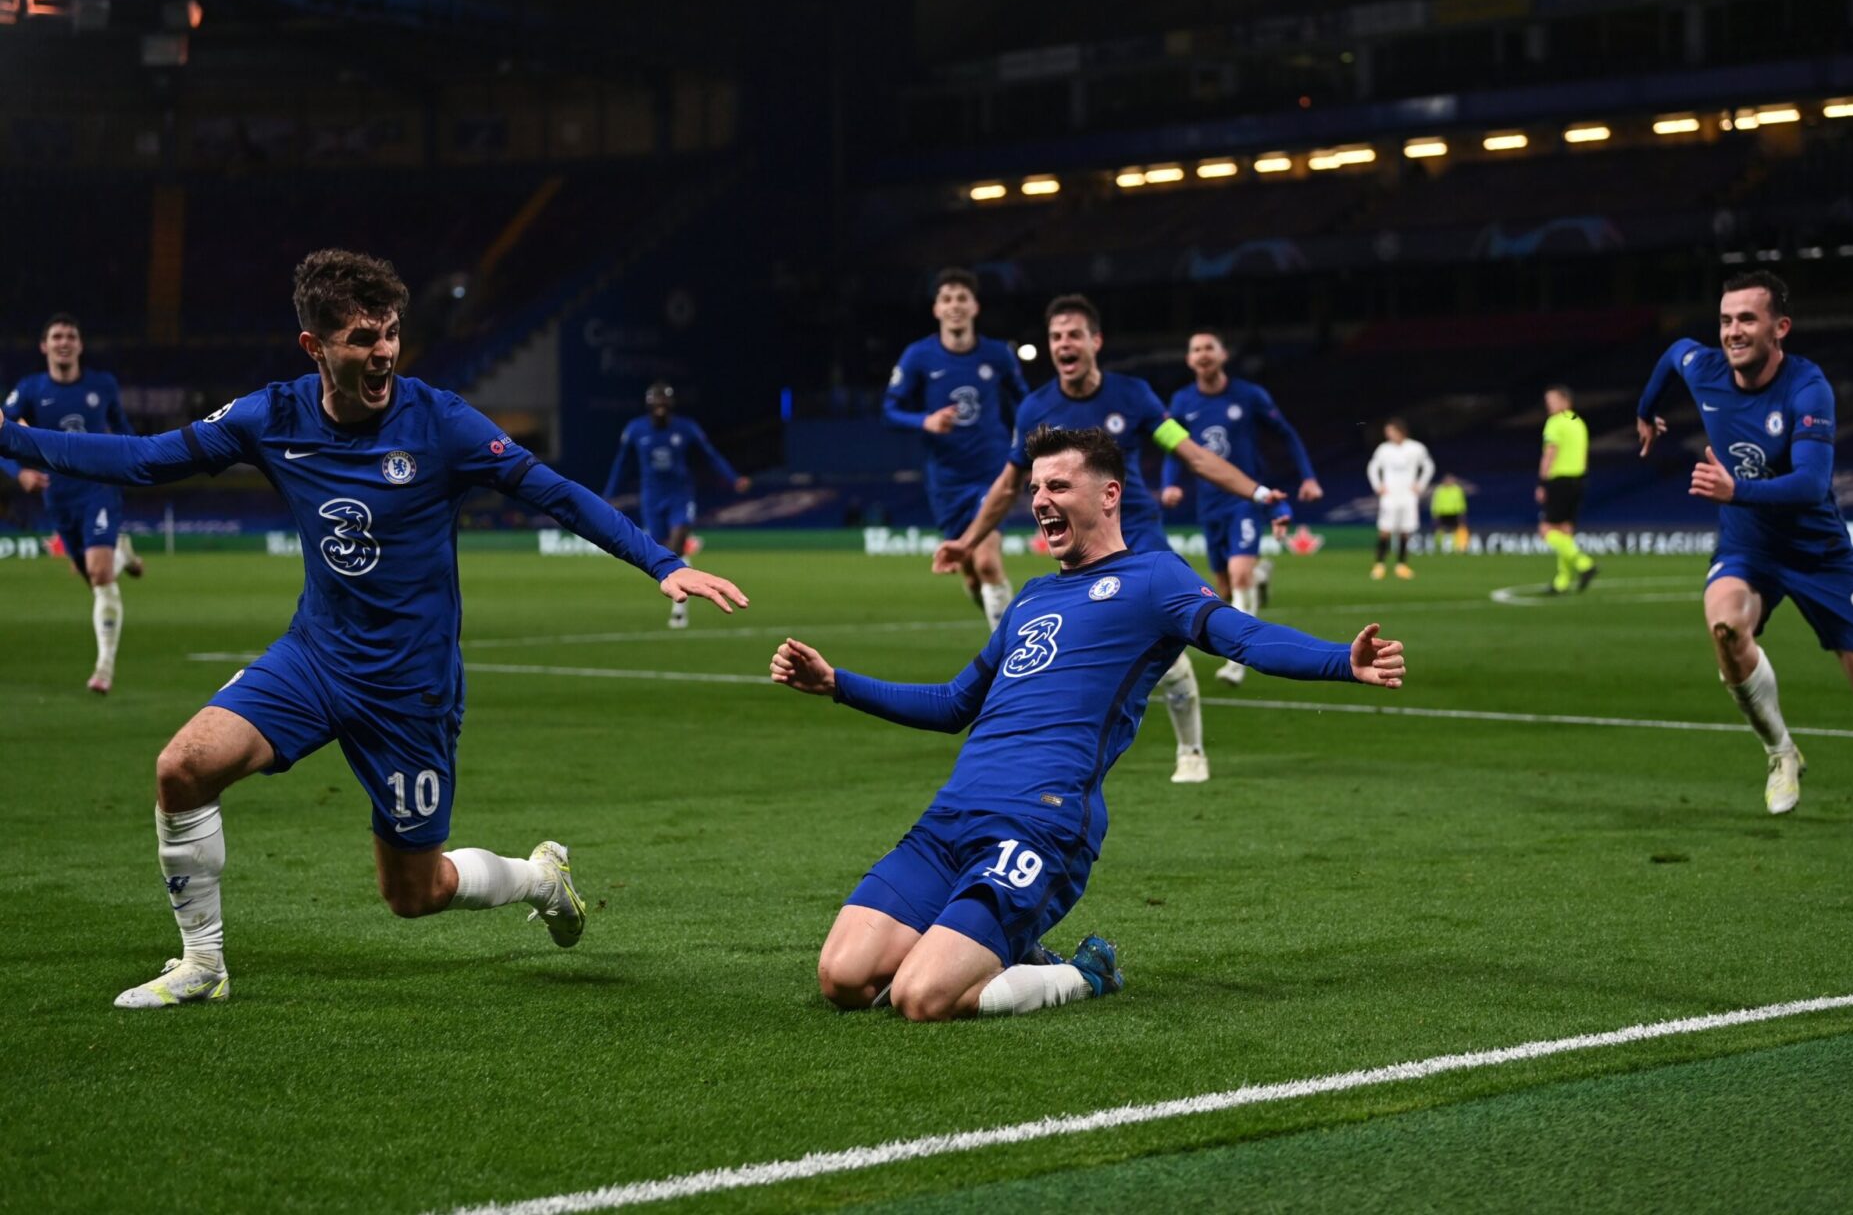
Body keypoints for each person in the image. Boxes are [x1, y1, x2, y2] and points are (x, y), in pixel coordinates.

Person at [0, 249, 750, 1009]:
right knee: (182, 769)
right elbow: (141, 460)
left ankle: (537, 878)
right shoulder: (272, 416)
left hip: (409, 689)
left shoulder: (442, 422)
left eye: (390, 332)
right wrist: (11, 439)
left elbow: (553, 492)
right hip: (315, 658)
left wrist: (659, 563)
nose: (384, 350)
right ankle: (204, 964)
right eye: (361, 337)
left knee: (413, 894)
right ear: (314, 347)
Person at [773, 425, 1405, 1022]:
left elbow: (1244, 637)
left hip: (1041, 824)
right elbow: (952, 705)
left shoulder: (1154, 577)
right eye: (1036, 490)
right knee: (844, 979)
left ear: (1108, 495)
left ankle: (1083, 973)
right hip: (951, 819)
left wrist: (1340, 662)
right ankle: (997, 946)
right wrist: (836, 683)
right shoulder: (1032, 598)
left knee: (921, 998)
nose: (1041, 501)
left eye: (1058, 487)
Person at [1636, 270, 1853, 827]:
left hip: (1818, 552)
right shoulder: (1702, 367)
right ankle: (1781, 751)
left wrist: (1736, 490)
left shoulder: (1808, 388)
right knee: (1726, 630)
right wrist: (1645, 409)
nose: (1732, 331)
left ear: (1779, 328)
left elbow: (1809, 483)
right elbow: (1671, 355)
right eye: (1726, 319)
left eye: (1747, 319)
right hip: (1748, 547)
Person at [933, 295, 1287, 785]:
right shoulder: (1036, 407)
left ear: (1095, 341)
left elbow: (1192, 454)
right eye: (1055, 336)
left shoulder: (1135, 396)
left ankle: (1192, 752)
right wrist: (969, 541)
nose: (1063, 344)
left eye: (1073, 334)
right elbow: (1008, 483)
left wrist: (1259, 491)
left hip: (1138, 539)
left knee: (1172, 657)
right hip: (1078, 551)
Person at [1157, 330, 1321, 685]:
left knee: (1238, 574)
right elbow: (1175, 448)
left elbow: (1287, 434)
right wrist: (1170, 482)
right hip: (1209, 503)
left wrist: (1307, 477)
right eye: (1195, 349)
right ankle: (1260, 574)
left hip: (1245, 499)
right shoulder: (1183, 400)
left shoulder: (1248, 396)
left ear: (1223, 354)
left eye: (1208, 348)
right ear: (1189, 359)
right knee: (1225, 588)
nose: (1202, 354)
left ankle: (1238, 659)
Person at [1, 314, 146, 693]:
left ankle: (104, 670)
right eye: (56, 336)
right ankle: (123, 553)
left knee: (99, 576)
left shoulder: (103, 385)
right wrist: (19, 474)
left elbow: (125, 431)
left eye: (70, 336)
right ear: (44, 346)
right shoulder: (30, 389)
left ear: (80, 345)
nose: (64, 342)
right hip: (58, 495)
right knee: (95, 578)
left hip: (98, 487)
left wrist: (136, 464)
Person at [883, 267, 1030, 632]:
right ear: (936, 309)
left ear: (975, 306)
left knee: (986, 562)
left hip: (992, 473)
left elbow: (1025, 402)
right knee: (971, 575)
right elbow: (889, 409)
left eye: (962, 298)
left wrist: (1029, 448)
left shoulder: (998, 355)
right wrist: (925, 421)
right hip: (946, 479)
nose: (955, 306)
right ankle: (1004, 632)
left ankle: (1011, 655)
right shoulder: (918, 356)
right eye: (947, 299)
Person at [602, 381, 750, 629]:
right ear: (649, 404)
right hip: (651, 496)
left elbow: (710, 454)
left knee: (678, 542)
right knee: (663, 554)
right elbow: (621, 464)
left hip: (680, 495)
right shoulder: (636, 430)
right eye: (656, 401)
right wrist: (608, 495)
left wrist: (733, 479)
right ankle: (680, 587)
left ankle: (679, 609)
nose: (660, 406)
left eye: (664, 401)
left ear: (670, 404)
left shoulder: (686, 428)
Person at [1538, 385, 1597, 594]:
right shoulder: (1578, 422)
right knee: (1565, 531)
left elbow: (1550, 453)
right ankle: (1562, 581)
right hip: (1578, 480)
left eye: (1552, 399)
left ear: (1565, 401)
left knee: (1546, 530)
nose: (1548, 404)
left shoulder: (1555, 422)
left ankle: (1584, 564)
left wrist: (1543, 483)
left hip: (1560, 480)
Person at [1366, 418, 1434, 580]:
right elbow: (1373, 467)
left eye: (1390, 431)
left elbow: (1429, 466)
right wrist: (1378, 486)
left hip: (1408, 496)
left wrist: (1420, 485)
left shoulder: (1416, 448)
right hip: (1389, 495)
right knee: (1385, 530)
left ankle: (1401, 565)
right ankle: (1379, 564)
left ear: (1400, 431)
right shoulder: (1384, 449)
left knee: (1405, 531)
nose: (1388, 434)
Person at [1430, 473, 1469, 552]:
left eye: (1450, 480)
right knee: (1440, 531)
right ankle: (1440, 546)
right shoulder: (1439, 490)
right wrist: (1435, 513)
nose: (1448, 481)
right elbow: (1435, 502)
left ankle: (1458, 547)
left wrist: (1462, 513)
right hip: (1442, 513)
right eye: (1447, 480)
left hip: (1455, 513)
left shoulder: (1457, 490)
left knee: (1458, 530)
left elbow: (1461, 502)